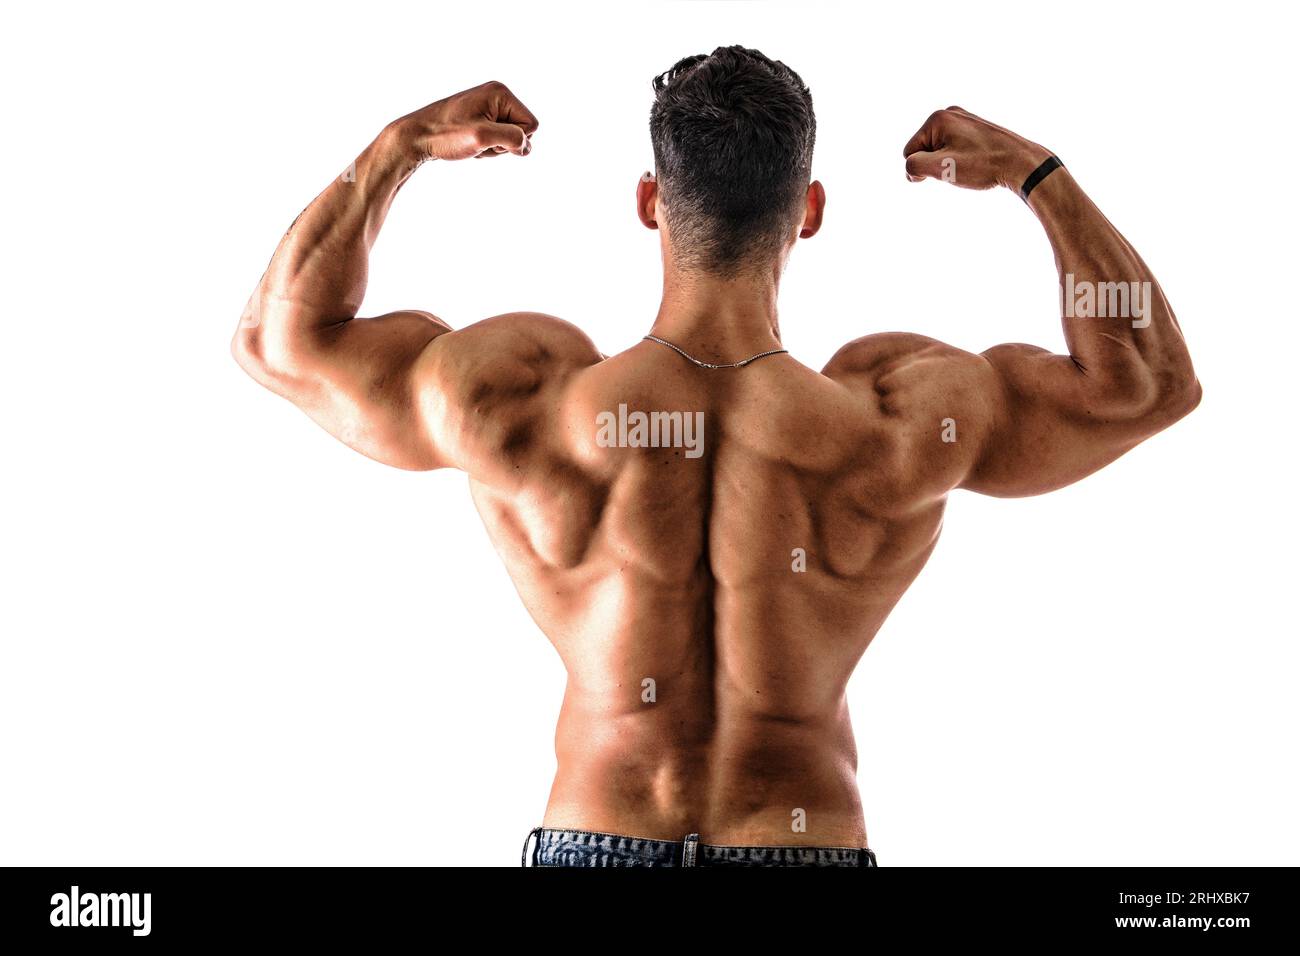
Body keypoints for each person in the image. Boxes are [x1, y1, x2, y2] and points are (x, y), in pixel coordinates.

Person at [231, 46, 1200, 867]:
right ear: (809, 208)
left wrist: (397, 148)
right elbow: (1145, 383)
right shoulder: (900, 411)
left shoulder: (522, 393)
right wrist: (1039, 178)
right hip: (802, 837)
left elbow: (283, 341)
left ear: (651, 200)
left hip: (598, 831)